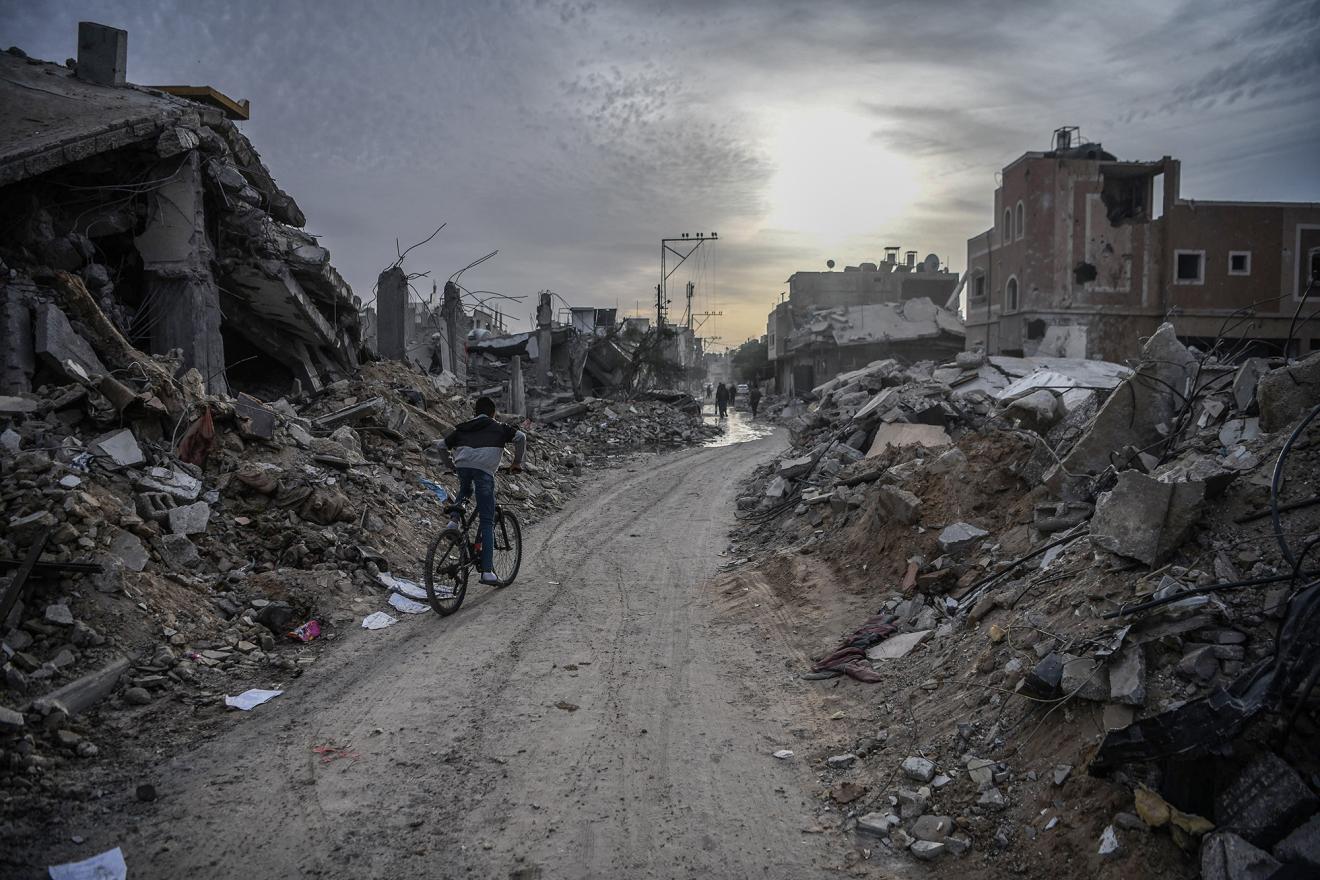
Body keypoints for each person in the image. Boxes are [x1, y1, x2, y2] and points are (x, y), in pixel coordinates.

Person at [435, 396, 526, 585]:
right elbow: (521, 437)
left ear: (475, 413)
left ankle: (454, 520)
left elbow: (441, 445)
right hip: (484, 471)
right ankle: (486, 572)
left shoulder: (463, 427)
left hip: (463, 467)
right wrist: (516, 462)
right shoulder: (499, 427)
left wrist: (451, 465)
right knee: (486, 519)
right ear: (493, 413)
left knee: (466, 489)